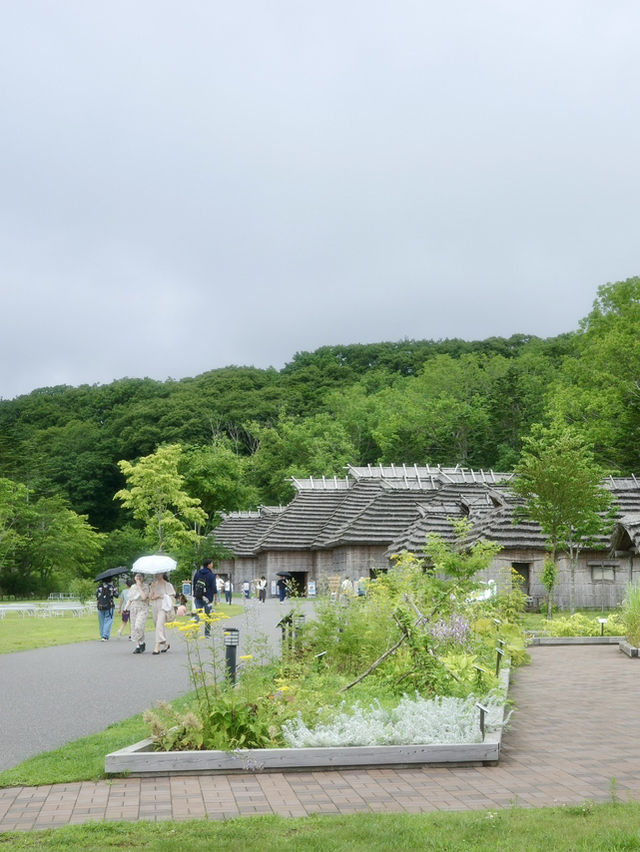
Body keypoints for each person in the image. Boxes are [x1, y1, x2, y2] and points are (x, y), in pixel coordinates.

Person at [149, 572, 176, 654]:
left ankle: (156, 647)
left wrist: (161, 596)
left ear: (163, 574)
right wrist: (153, 589)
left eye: (159, 573)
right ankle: (166, 643)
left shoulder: (168, 585)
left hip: (163, 607)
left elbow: (172, 597)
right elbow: (150, 597)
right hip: (155, 606)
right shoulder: (153, 584)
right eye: (156, 573)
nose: (157, 575)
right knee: (157, 624)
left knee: (159, 625)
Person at [126, 573, 149, 654]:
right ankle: (138, 645)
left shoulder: (145, 586)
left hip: (142, 608)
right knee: (134, 627)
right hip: (133, 608)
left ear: (143, 577)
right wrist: (126, 607)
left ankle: (142, 642)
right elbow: (130, 598)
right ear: (134, 578)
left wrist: (139, 586)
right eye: (137, 576)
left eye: (140, 576)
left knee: (138, 626)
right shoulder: (132, 587)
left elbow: (144, 597)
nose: (138, 577)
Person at [192, 558, 216, 637]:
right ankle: (207, 633)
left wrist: (195, 594)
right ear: (209, 565)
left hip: (198, 597)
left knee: (197, 615)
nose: (212, 565)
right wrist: (215, 598)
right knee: (207, 616)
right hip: (208, 598)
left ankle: (195, 633)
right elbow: (214, 588)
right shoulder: (211, 575)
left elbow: (194, 584)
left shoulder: (197, 573)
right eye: (212, 563)